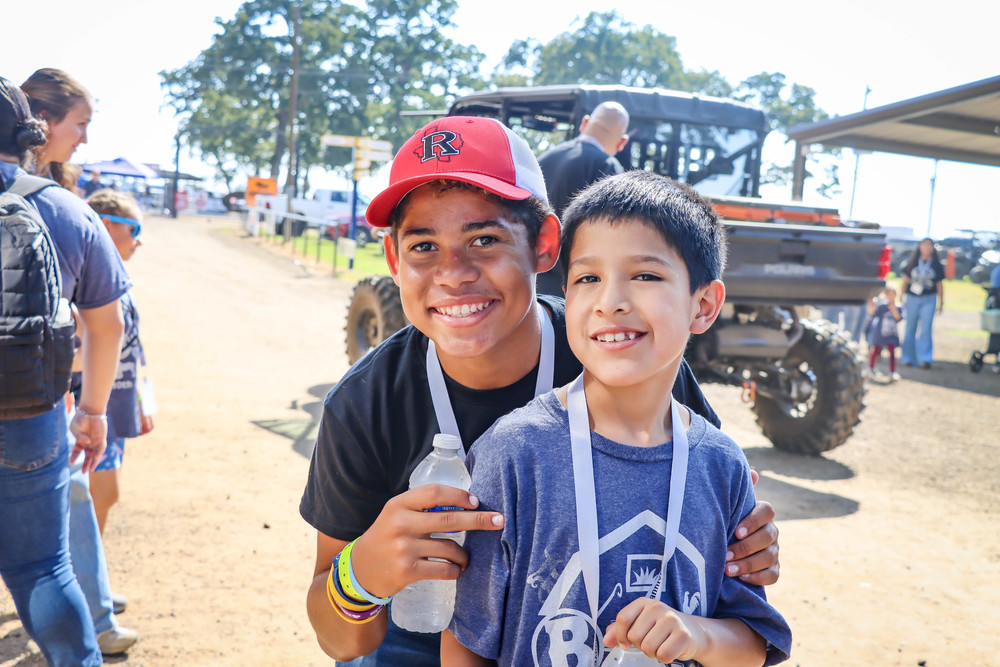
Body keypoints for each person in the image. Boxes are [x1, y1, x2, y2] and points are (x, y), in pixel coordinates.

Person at [300, 116, 780, 665]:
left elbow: (710, 511)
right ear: (393, 261)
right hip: (416, 633)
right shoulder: (366, 403)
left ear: (544, 245)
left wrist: (746, 543)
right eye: (424, 246)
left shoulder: (615, 349)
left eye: (485, 239)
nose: (453, 273)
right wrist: (361, 574)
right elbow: (339, 640)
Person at [443, 171, 791, 667]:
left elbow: (754, 644)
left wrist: (695, 634)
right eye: (588, 278)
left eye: (645, 275)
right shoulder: (515, 452)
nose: (611, 301)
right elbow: (466, 641)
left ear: (705, 305)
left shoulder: (723, 466)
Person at [0, 75, 127, 666]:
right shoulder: (67, 211)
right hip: (31, 414)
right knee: (42, 568)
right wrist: (94, 413)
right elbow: (107, 325)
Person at [85, 189, 154, 534]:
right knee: (98, 496)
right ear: (106, 225)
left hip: (116, 406)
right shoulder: (89, 278)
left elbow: (129, 349)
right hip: (93, 408)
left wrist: (139, 400)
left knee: (103, 496)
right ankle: (86, 584)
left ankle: (90, 582)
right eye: (134, 230)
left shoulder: (118, 278)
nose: (139, 242)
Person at [535, 101, 630, 295]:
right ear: (622, 143)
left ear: (584, 123)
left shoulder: (543, 158)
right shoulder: (608, 168)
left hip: (532, 277)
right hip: (570, 287)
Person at [899, 238, 945, 369]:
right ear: (919, 246)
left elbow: (939, 284)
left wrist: (941, 302)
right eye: (924, 244)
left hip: (929, 298)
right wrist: (901, 297)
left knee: (926, 329)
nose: (927, 247)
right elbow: (905, 280)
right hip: (912, 298)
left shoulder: (936, 264)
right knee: (910, 328)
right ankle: (908, 357)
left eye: (929, 245)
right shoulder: (912, 262)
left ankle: (925, 358)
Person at [866, 286, 903, 381]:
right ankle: (870, 368)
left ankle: (892, 372)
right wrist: (870, 304)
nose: (891, 297)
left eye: (893, 294)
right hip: (880, 333)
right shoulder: (882, 306)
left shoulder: (898, 306)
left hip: (891, 333)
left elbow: (898, 318)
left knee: (892, 351)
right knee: (875, 350)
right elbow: (873, 313)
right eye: (889, 295)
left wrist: (893, 308)